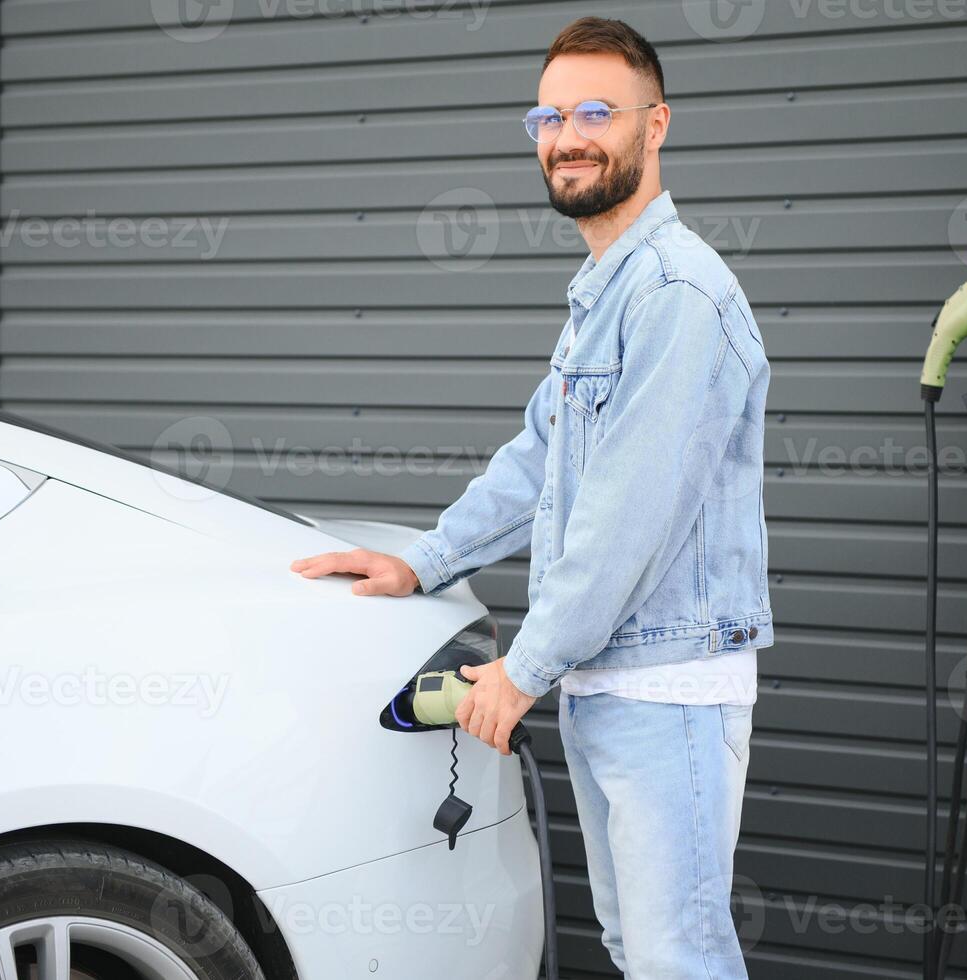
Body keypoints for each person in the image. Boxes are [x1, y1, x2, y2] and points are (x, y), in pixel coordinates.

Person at [291, 16, 771, 977]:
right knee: (640, 949)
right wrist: (422, 559)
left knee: (679, 959)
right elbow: (538, 465)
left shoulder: (677, 294)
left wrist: (525, 669)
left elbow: (627, 518)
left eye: (596, 110)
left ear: (656, 124)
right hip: (610, 682)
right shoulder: (607, 288)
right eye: (547, 116)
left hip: (666, 687)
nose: (568, 135)